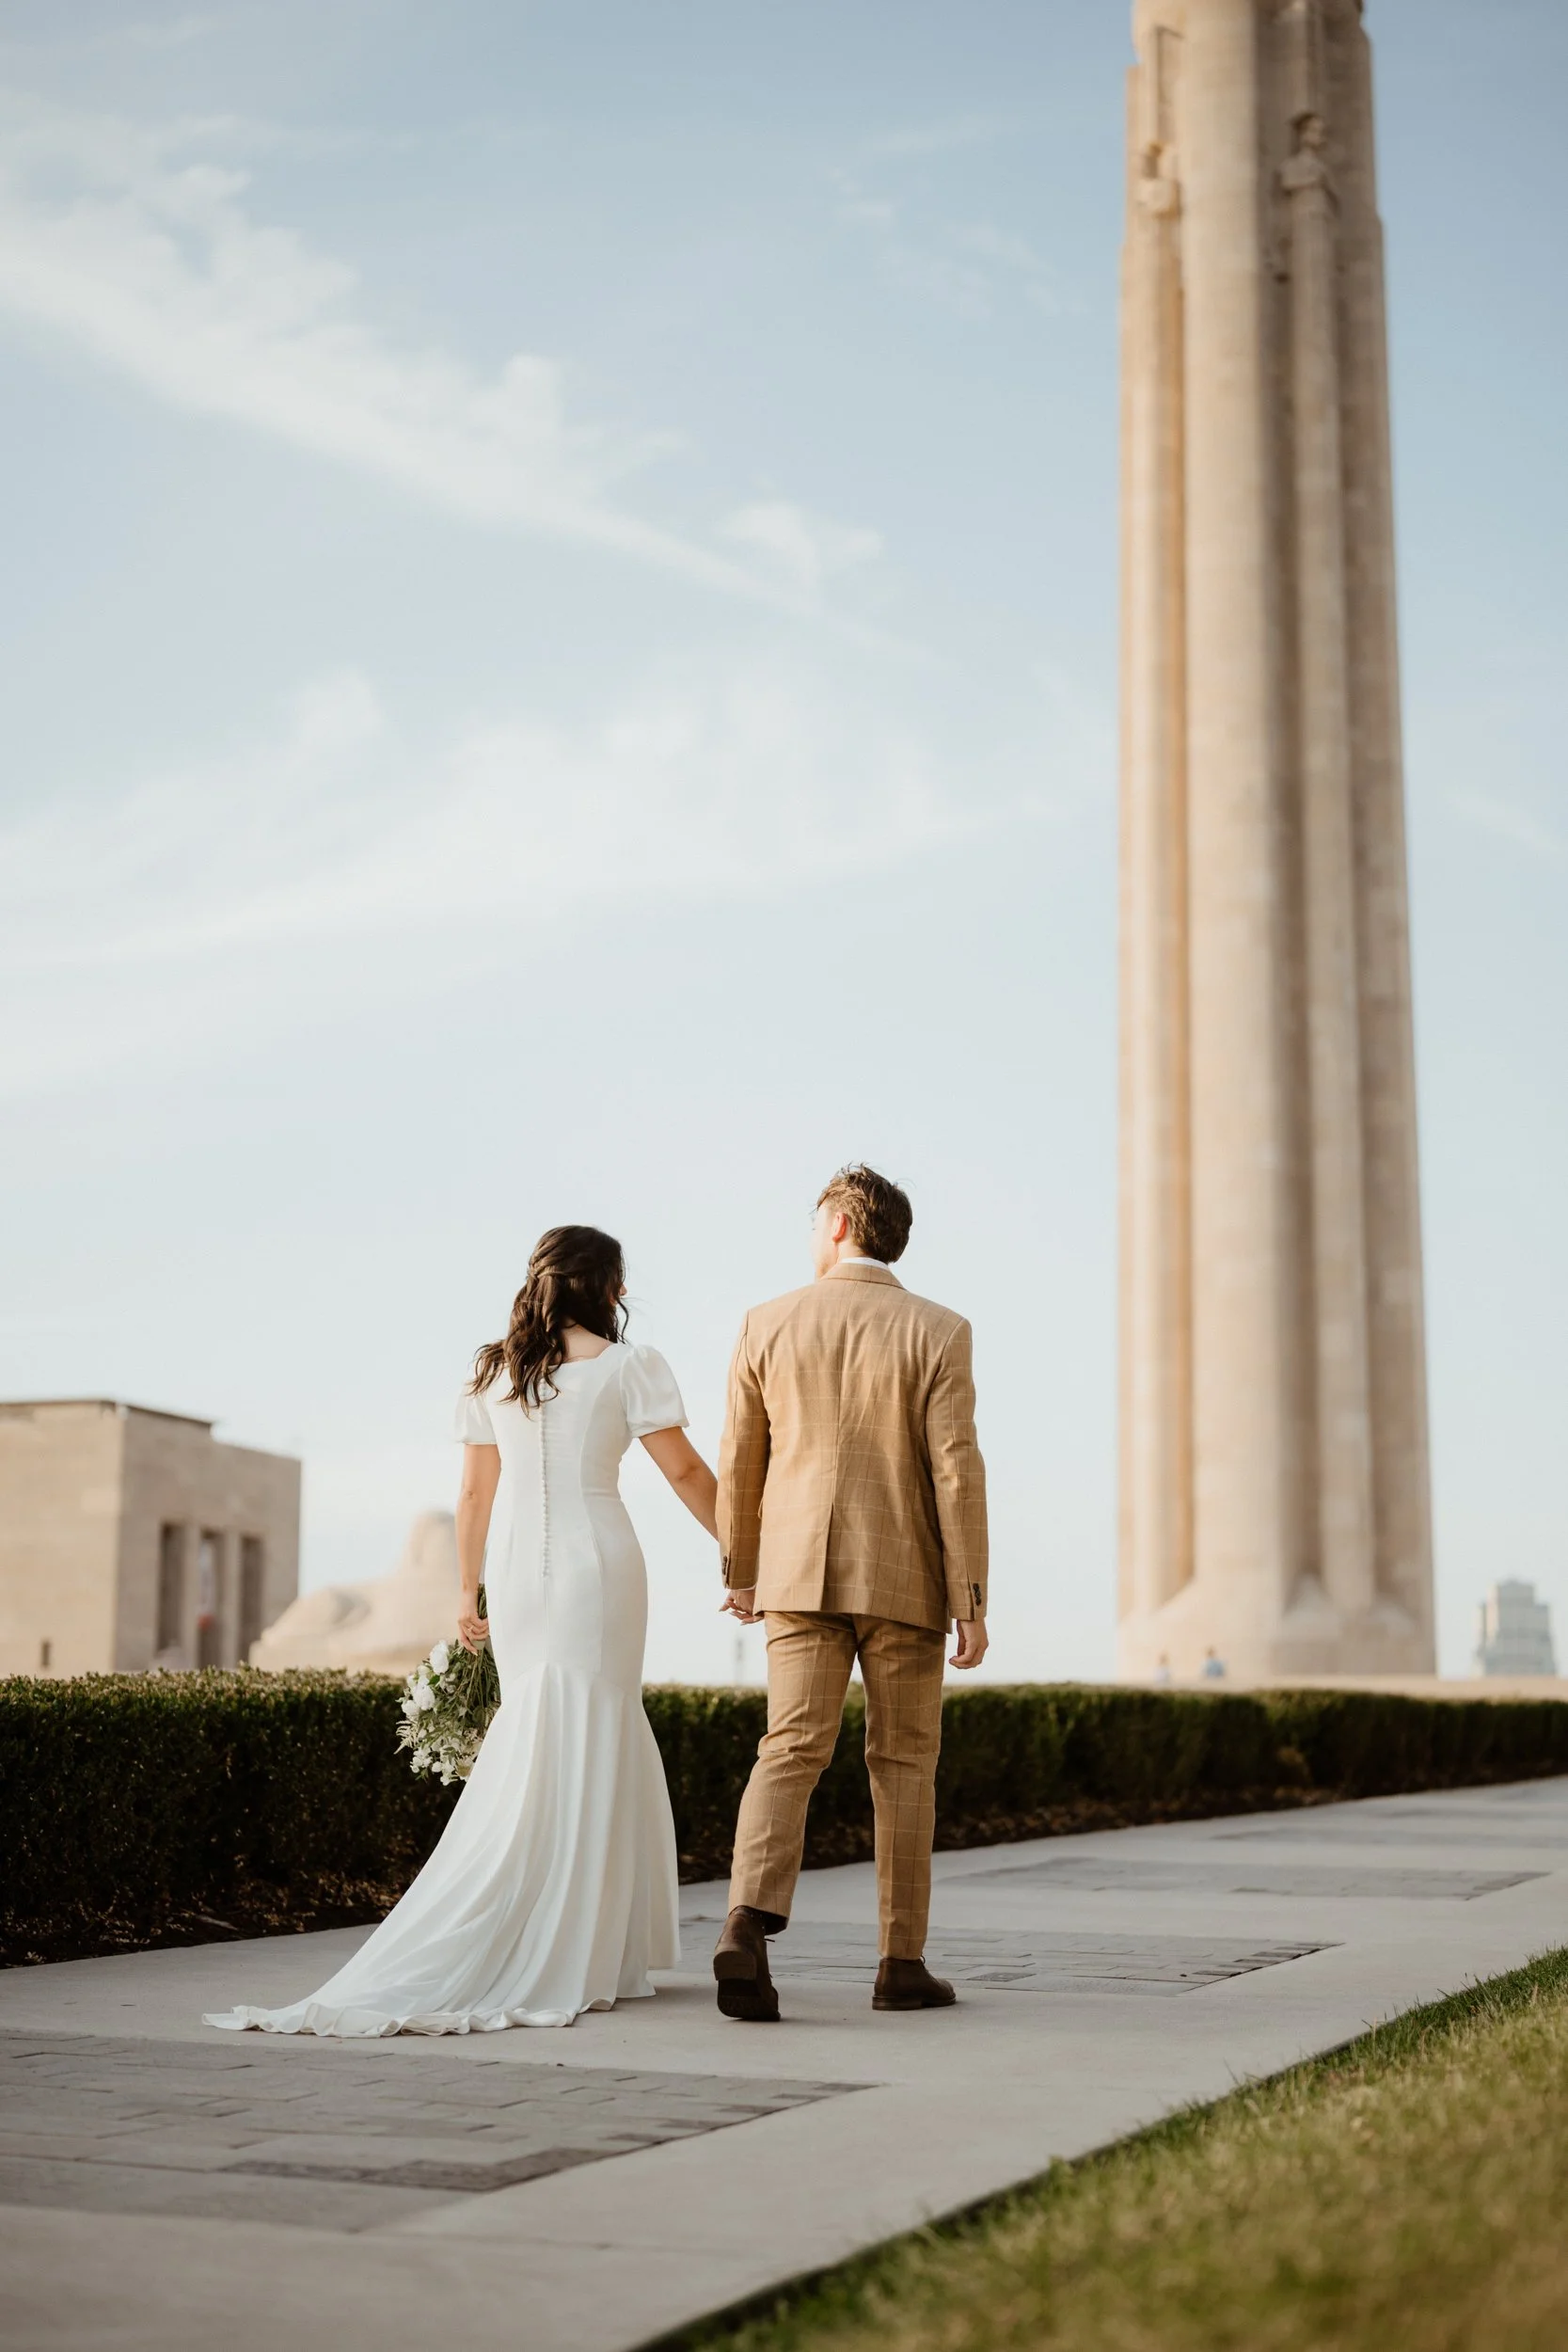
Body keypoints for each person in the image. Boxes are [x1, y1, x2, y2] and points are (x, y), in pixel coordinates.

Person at [205, 1225, 716, 2035]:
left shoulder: (496, 1371)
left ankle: (552, 1930)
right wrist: (740, 1555)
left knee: (538, 1725)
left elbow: (474, 1496)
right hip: (600, 1563)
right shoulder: (629, 1367)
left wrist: (466, 1592)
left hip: (515, 1570)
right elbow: (684, 1470)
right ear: (609, 1288)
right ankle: (583, 1945)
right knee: (597, 1722)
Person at [711, 1165, 989, 2022]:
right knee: (904, 1763)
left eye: (812, 1222)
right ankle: (900, 1964)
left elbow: (740, 1459)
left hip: (794, 1571)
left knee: (789, 1746)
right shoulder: (939, 1330)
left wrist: (740, 1568)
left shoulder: (766, 1321)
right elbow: (955, 1470)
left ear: (837, 1223)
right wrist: (969, 1598)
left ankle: (747, 1921)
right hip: (904, 1574)